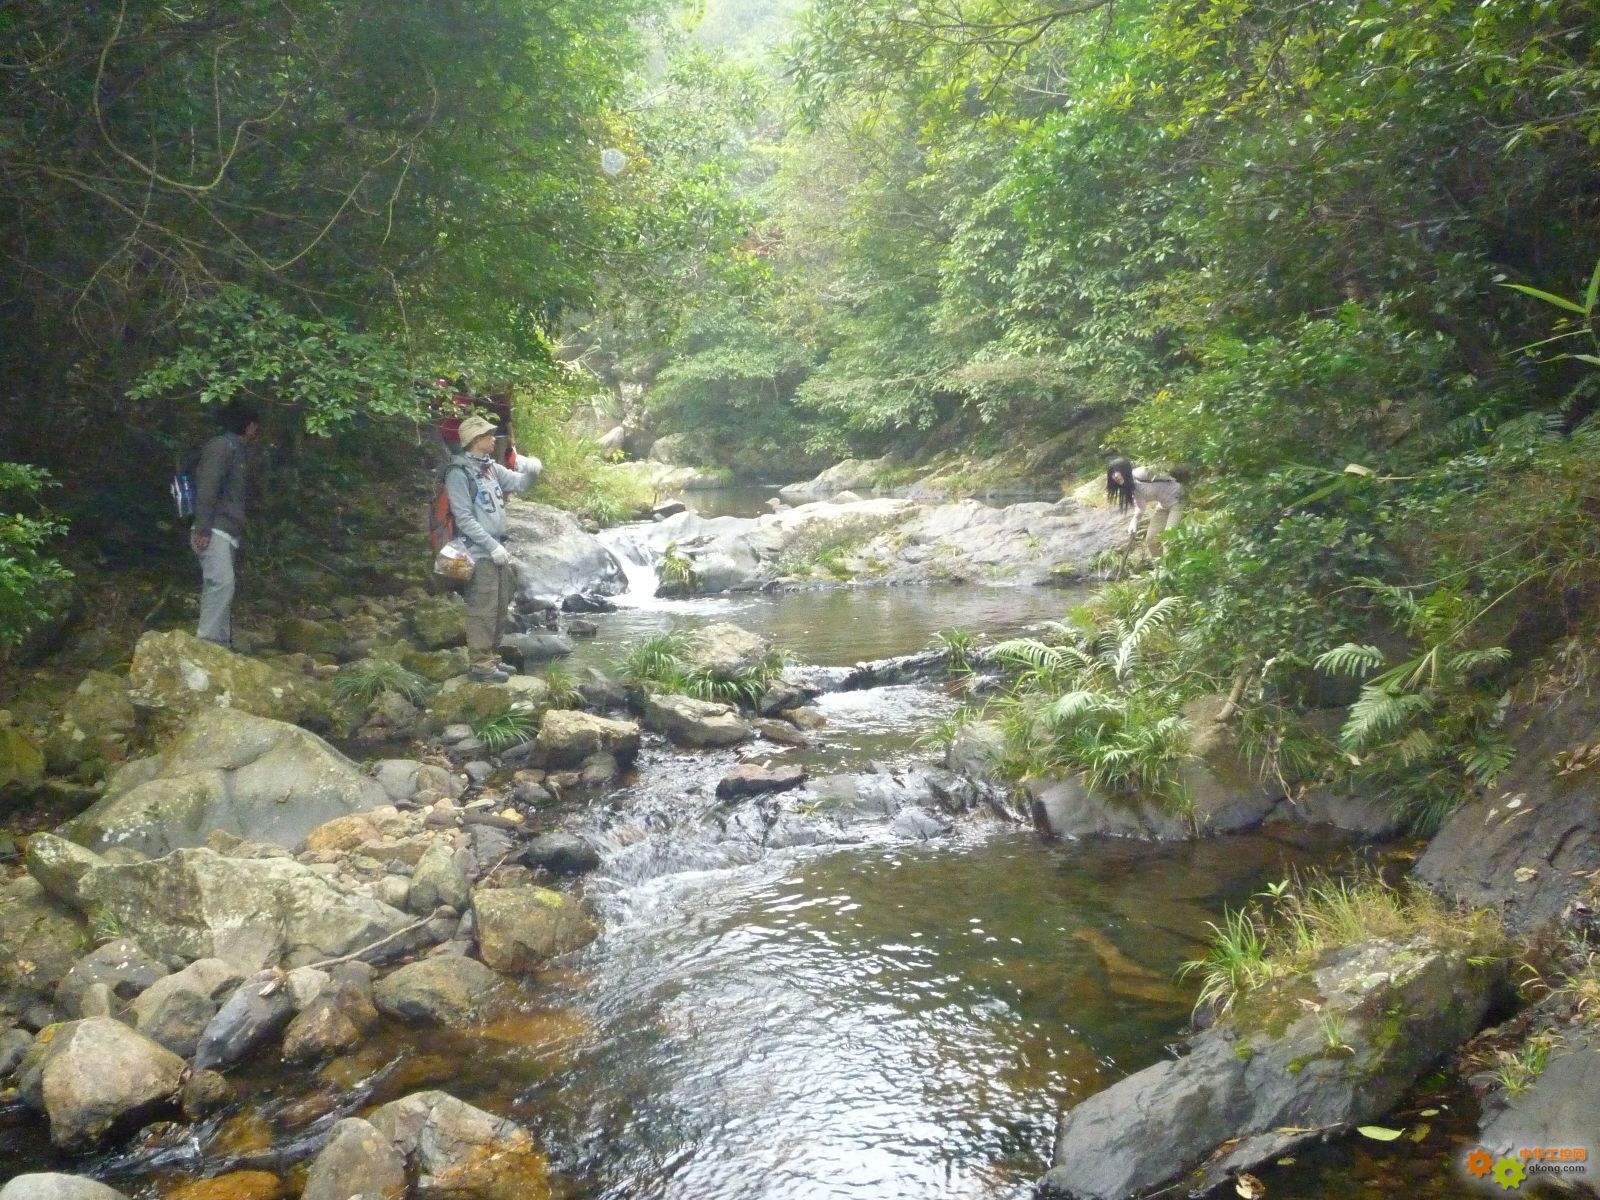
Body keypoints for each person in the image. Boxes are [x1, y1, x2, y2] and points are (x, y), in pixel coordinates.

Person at [445, 414, 543, 682]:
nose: (493, 438)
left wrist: (532, 471)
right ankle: (480, 666)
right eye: (488, 435)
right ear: (475, 440)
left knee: (500, 606)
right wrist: (490, 546)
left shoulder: (490, 468)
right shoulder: (458, 472)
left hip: (498, 550)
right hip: (477, 553)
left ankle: (492, 658)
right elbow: (464, 519)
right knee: (483, 608)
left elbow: (520, 484)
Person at [190, 400, 261, 647]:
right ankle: (206, 643)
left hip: (225, 530)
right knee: (221, 583)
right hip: (215, 528)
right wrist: (202, 528)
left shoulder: (234, 449)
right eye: (255, 426)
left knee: (221, 585)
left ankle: (220, 643)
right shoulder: (222, 447)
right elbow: (207, 488)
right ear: (249, 426)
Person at [1106, 456, 1183, 557]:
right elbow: (1140, 506)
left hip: (1178, 500)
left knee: (1169, 539)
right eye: (1112, 473)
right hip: (1163, 506)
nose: (1115, 476)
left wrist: (1188, 486)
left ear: (1125, 470)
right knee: (1152, 540)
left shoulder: (1141, 473)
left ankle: (1174, 568)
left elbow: (1168, 472)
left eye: (1117, 471)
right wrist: (1134, 521)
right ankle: (1161, 569)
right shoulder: (1131, 487)